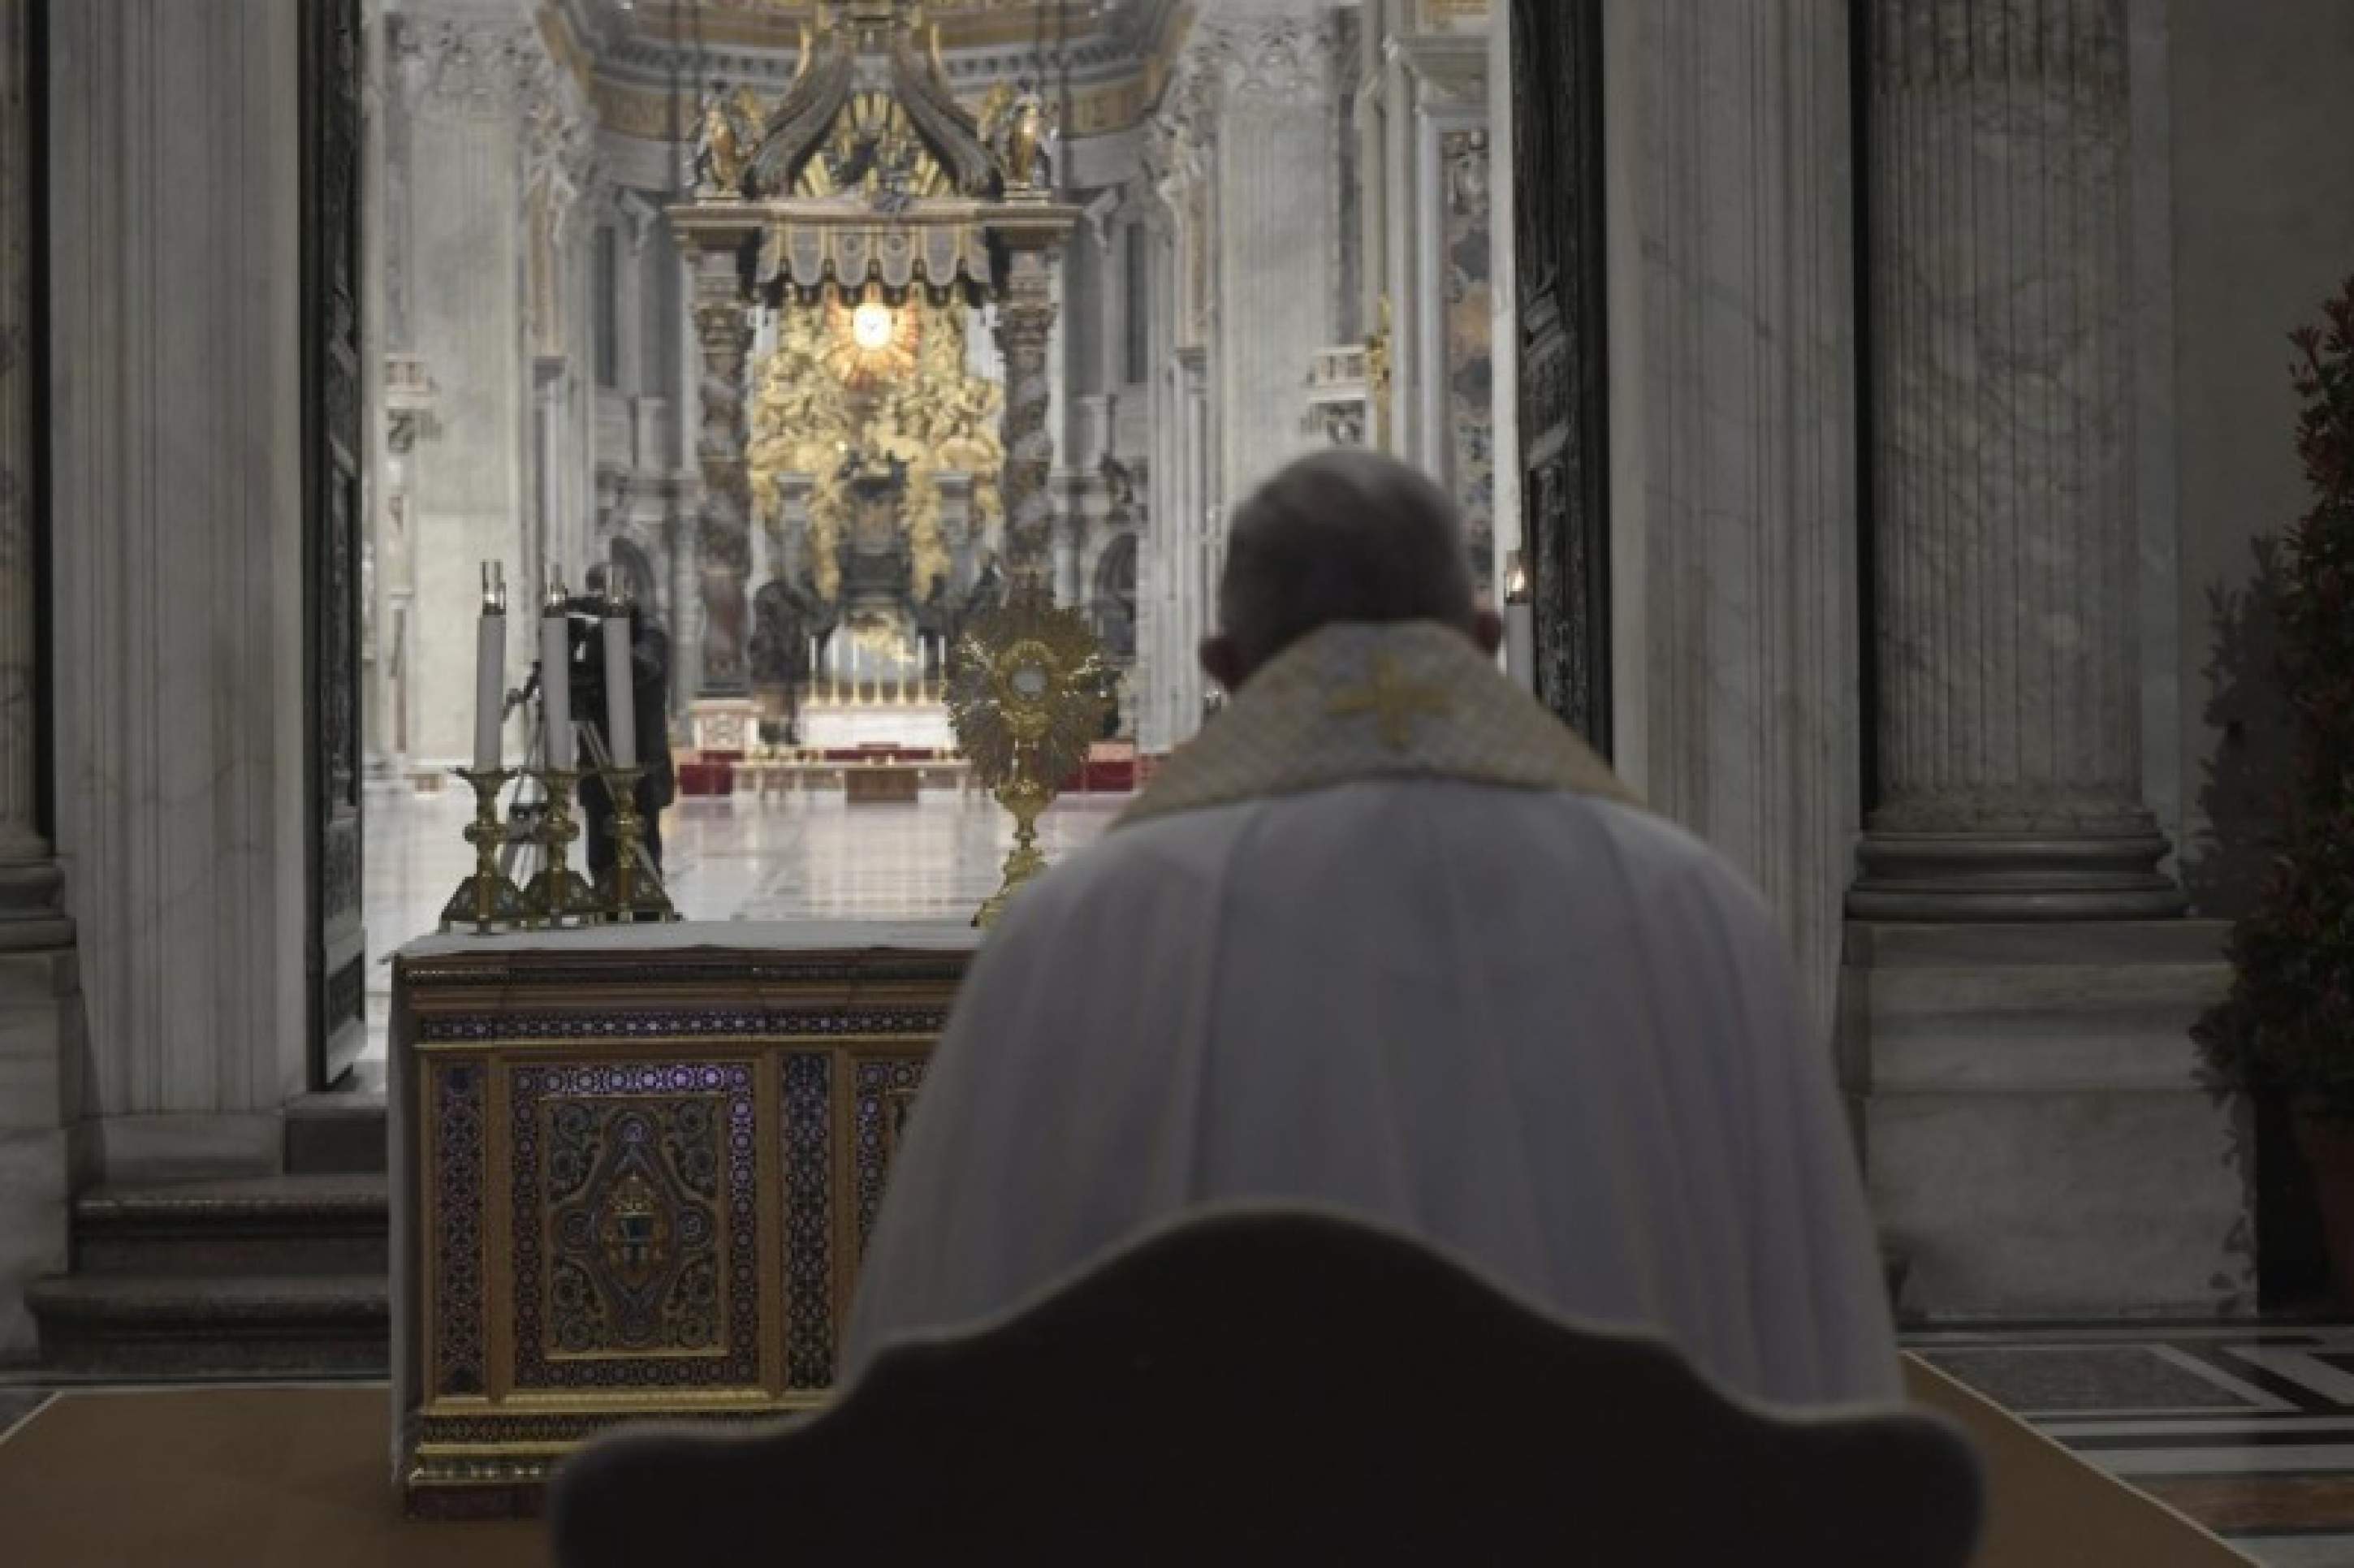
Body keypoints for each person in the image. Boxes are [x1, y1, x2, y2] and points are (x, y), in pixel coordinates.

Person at [844, 450, 1902, 1410]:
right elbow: (1814, 1355)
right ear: (1483, 639)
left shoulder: (1078, 930)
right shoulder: (1699, 911)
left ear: (1222, 664)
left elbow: (939, 1374)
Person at [575, 568, 676, 895]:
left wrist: (611, 636)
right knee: (601, 858)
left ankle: (647, 911)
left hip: (640, 767)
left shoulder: (650, 634)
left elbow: (641, 667)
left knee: (641, 856)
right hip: (598, 762)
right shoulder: (593, 637)